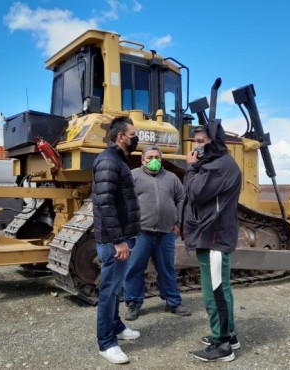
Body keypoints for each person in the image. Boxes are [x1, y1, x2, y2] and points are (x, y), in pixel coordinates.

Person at [182, 121, 242, 362]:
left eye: (200, 142)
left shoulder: (219, 166)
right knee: (220, 288)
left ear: (213, 142)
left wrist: (190, 168)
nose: (196, 147)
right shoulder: (217, 164)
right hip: (211, 234)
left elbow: (194, 192)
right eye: (195, 141)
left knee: (214, 291)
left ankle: (222, 345)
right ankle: (229, 334)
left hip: (214, 236)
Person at [92, 116, 142, 364]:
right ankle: (106, 342)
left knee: (116, 288)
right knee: (109, 291)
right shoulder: (109, 161)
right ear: (121, 136)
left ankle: (117, 327)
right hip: (114, 240)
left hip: (121, 236)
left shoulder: (118, 160)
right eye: (133, 134)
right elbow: (105, 202)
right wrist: (119, 240)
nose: (136, 138)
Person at [124, 145, 190, 320]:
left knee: (167, 268)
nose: (154, 160)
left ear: (162, 159)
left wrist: (178, 222)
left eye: (157, 157)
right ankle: (133, 303)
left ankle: (173, 302)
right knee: (135, 268)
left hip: (166, 233)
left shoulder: (171, 177)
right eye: (149, 157)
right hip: (141, 233)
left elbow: (181, 198)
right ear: (142, 160)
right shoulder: (133, 176)